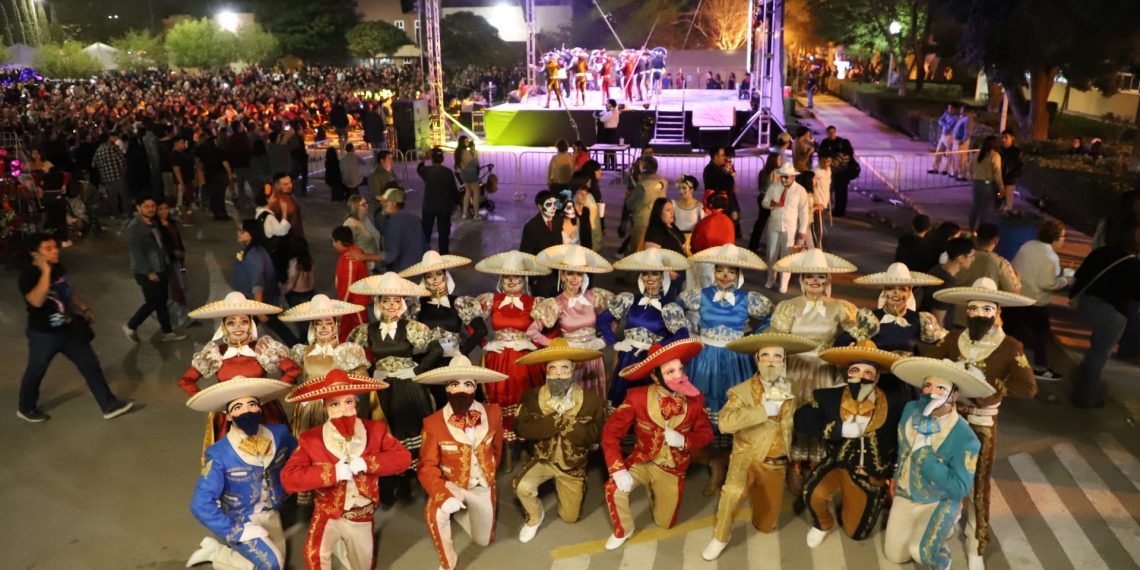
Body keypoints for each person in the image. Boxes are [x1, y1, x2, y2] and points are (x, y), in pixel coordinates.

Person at [922, 278, 1037, 570]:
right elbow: (931, 365)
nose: (979, 314)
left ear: (998, 312)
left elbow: (1028, 387)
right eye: (973, 308)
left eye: (987, 309)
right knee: (943, 473)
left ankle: (976, 542)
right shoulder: (953, 338)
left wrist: (995, 389)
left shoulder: (1010, 346)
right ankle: (946, 521)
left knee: (978, 483)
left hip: (981, 422)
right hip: (949, 418)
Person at [281, 370, 413, 569]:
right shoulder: (311, 438)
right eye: (335, 404)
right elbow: (289, 478)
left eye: (348, 402)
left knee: (364, 564)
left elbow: (403, 458)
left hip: (361, 514)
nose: (343, 409)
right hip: (327, 513)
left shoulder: (375, 429)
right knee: (313, 554)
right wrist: (331, 474)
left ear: (355, 403)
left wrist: (368, 463)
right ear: (325, 407)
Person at [702, 332, 818, 560]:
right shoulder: (741, 391)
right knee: (732, 495)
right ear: (757, 359)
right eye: (766, 355)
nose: (771, 361)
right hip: (746, 458)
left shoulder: (792, 388)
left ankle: (761, 516)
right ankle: (720, 537)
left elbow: (801, 414)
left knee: (766, 524)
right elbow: (724, 423)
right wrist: (762, 411)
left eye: (777, 356)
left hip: (776, 462)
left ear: (784, 361)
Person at [601, 339, 714, 550]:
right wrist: (617, 468)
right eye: (670, 372)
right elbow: (610, 433)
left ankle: (655, 491)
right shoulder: (637, 397)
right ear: (655, 376)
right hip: (643, 460)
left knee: (665, 524)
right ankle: (624, 530)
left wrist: (684, 440)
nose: (679, 376)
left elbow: (706, 435)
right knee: (614, 488)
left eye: (680, 369)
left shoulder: (695, 399)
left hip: (672, 468)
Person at [795, 341, 905, 548]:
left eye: (868, 372)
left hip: (871, 474)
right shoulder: (830, 396)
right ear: (847, 372)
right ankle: (822, 524)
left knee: (857, 533)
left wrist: (895, 472)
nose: (860, 377)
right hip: (839, 464)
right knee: (813, 493)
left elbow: (904, 438)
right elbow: (801, 419)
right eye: (855, 371)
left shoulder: (895, 402)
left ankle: (868, 500)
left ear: (877, 377)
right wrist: (838, 430)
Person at [883, 357, 990, 570]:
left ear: (954, 395)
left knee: (921, 552)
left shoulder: (965, 438)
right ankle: (927, 528)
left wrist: (925, 455)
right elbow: (902, 451)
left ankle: (942, 555)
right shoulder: (910, 409)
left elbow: (960, 488)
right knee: (895, 556)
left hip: (937, 499)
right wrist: (896, 478)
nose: (931, 392)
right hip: (905, 494)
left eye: (941, 388)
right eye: (927, 385)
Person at [347, 272, 444, 503]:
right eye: (386, 300)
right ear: (378, 303)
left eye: (396, 300)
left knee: (412, 429)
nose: (391, 305)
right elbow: (350, 356)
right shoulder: (367, 330)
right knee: (387, 431)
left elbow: (436, 349)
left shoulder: (411, 327)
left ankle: (420, 477)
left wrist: (417, 371)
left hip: (408, 387)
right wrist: (369, 373)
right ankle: (397, 479)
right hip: (381, 388)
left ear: (402, 303)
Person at [16, 234, 134, 423]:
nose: (55, 251)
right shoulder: (28, 275)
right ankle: (26, 407)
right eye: (48, 249)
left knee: (90, 364)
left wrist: (84, 308)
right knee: (36, 370)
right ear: (34, 253)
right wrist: (45, 271)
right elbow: (36, 301)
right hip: (44, 334)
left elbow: (68, 291)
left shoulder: (59, 267)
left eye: (55, 247)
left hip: (69, 329)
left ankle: (109, 405)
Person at [184, 377, 297, 569]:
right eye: (238, 407)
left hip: (272, 514)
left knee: (276, 563)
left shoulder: (280, 434)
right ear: (228, 416)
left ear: (260, 408)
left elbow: (298, 458)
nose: (247, 411)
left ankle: (217, 552)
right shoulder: (219, 454)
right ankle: (220, 551)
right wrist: (236, 530)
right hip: (240, 518)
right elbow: (200, 504)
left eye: (252, 404)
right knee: (271, 564)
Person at [414, 356, 507, 570]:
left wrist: (489, 474)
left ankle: (467, 512)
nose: (461, 390)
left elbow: (497, 449)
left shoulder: (493, 413)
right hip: (452, 483)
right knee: (434, 513)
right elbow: (427, 466)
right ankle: (448, 561)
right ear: (447, 388)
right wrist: (442, 492)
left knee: (483, 541)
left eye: (468, 384)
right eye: (454, 384)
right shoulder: (433, 423)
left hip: (482, 485)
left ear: (476, 386)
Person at [512, 339, 607, 542]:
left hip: (573, 465)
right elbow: (520, 427)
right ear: (546, 372)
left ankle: (577, 485)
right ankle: (535, 517)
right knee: (522, 487)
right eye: (552, 369)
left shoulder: (592, 400)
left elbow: (600, 431)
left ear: (573, 370)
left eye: (564, 368)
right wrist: (555, 421)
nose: (558, 374)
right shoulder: (531, 397)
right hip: (543, 460)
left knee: (570, 517)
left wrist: (571, 426)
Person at [471, 251, 552, 465]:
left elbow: (550, 330)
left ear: (524, 279)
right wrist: (485, 344)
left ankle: (525, 443)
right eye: (507, 277)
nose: (512, 281)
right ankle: (506, 447)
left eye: (516, 277)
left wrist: (533, 344)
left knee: (524, 401)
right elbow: (471, 322)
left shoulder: (534, 302)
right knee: (500, 401)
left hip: (523, 361)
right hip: (498, 360)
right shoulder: (492, 300)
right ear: (501, 279)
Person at [599, 249, 691, 407]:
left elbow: (683, 334)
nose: (649, 278)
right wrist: (615, 343)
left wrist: (658, 348)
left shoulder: (669, 307)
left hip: (651, 361)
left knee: (646, 403)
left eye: (654, 274)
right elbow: (602, 319)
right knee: (622, 401)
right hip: (627, 358)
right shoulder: (629, 299)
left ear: (662, 277)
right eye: (646, 274)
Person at [529, 244, 615, 402]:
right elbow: (532, 332)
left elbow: (614, 317)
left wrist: (603, 340)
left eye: (579, 274)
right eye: (570, 273)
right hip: (572, 360)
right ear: (563, 276)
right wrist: (557, 345)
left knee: (593, 401)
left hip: (594, 357)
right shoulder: (556, 303)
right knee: (573, 401)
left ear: (584, 277)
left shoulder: (595, 296)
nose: (575, 278)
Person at [1068, 226, 1140, 408]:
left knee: (1096, 349)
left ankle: (1082, 384)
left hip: (1085, 304)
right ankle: (1084, 397)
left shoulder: (1100, 252)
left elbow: (1080, 275)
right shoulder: (1133, 265)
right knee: (1099, 355)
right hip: (1111, 313)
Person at [124, 196, 186, 342]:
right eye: (146, 206)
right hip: (146, 272)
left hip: (161, 267)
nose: (151, 209)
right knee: (153, 301)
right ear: (138, 208)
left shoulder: (153, 223)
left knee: (162, 301)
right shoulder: (134, 227)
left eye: (153, 206)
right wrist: (149, 272)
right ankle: (131, 325)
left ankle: (167, 332)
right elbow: (137, 253)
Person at [233, 219, 297, 345]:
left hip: (257, 302)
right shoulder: (257, 250)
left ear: (251, 234)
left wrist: (259, 309)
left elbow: (257, 283)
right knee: (250, 329)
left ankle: (296, 346)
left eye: (243, 231)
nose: (238, 233)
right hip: (257, 302)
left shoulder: (254, 255)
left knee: (272, 326)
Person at [950, 223, 1021, 328]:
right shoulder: (1000, 263)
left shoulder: (961, 256)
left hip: (955, 315)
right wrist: (1017, 280)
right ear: (996, 240)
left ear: (976, 237)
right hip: (983, 319)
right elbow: (1013, 292)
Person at [762, 163, 811, 293]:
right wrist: (770, 204)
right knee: (771, 254)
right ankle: (771, 278)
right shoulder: (774, 187)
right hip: (774, 225)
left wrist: (802, 231)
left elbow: (804, 212)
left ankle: (784, 283)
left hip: (790, 228)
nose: (783, 179)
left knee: (787, 256)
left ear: (793, 177)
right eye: (782, 177)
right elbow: (764, 202)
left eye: (786, 177)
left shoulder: (800, 191)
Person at [917, 236, 976, 329]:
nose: (973, 259)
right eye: (971, 256)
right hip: (933, 331)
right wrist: (943, 336)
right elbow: (938, 318)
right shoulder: (946, 282)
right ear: (960, 258)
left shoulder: (937, 269)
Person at [519, 190, 566, 297]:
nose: (553, 207)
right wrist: (533, 280)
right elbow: (525, 254)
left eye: (554, 204)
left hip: (558, 276)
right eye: (549, 204)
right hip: (541, 278)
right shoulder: (531, 226)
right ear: (540, 207)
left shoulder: (558, 220)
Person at [156, 201, 193, 329]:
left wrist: (181, 253)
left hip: (178, 261)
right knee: (176, 290)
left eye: (166, 208)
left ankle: (180, 317)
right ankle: (183, 319)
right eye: (160, 209)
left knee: (181, 286)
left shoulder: (170, 222)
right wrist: (173, 253)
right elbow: (161, 246)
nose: (164, 211)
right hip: (169, 262)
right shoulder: (157, 227)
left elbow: (177, 239)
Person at [332, 226, 371, 341]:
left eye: (334, 241)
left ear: (339, 242)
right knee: (350, 333)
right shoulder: (355, 251)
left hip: (354, 304)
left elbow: (348, 286)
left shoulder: (349, 258)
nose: (333, 244)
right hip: (352, 303)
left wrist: (341, 308)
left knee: (360, 334)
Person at [419, 148, 460, 252]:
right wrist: (456, 203)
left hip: (429, 206)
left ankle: (425, 253)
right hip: (444, 207)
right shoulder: (448, 172)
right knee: (443, 233)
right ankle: (443, 253)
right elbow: (453, 190)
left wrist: (424, 159)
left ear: (432, 159)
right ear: (442, 158)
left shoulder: (427, 171)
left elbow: (419, 169)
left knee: (426, 231)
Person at [378, 187, 427, 273]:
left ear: (393, 204)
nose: (381, 204)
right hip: (419, 269)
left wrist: (365, 256)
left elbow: (391, 256)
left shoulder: (393, 223)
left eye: (385, 202)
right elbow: (424, 247)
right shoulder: (415, 219)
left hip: (403, 273)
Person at [626, 156, 666, 252]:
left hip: (642, 221)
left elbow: (630, 205)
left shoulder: (643, 186)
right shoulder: (662, 182)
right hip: (657, 220)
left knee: (637, 251)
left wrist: (629, 195)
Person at [816, 126, 856, 217]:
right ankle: (839, 210)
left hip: (840, 175)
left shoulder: (841, 154)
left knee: (839, 194)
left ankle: (838, 211)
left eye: (833, 132)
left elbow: (834, 163)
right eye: (830, 132)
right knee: (842, 194)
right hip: (843, 175)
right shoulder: (826, 143)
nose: (831, 134)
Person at [969, 136, 1005, 231]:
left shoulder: (976, 155)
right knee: (984, 209)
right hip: (988, 185)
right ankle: (982, 231)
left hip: (976, 183)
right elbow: (997, 173)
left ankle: (970, 229)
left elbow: (970, 169)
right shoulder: (995, 156)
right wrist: (1001, 188)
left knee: (975, 206)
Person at [703, 147, 740, 235]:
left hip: (724, 204)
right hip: (719, 206)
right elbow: (723, 188)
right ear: (716, 157)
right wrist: (733, 209)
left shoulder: (723, 167)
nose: (725, 157)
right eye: (723, 155)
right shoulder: (711, 170)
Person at [93, 132, 128, 219]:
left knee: (112, 198)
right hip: (117, 175)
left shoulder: (98, 151)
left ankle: (115, 214)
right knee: (124, 195)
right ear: (108, 139)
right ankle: (128, 213)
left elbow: (94, 164)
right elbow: (121, 160)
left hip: (106, 178)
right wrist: (123, 170)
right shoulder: (113, 148)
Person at [343, 196, 381, 272]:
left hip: (371, 264)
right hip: (361, 267)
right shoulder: (350, 225)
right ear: (355, 207)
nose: (367, 206)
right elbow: (347, 249)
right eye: (363, 204)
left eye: (366, 203)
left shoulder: (365, 219)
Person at [672, 175, 706, 250]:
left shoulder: (699, 206)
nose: (681, 191)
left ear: (691, 190)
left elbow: (704, 225)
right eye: (679, 188)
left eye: (684, 188)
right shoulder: (674, 204)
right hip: (677, 241)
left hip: (692, 242)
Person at [455, 137, 482, 220]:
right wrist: (475, 154)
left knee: (468, 192)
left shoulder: (457, 152)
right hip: (471, 173)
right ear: (462, 142)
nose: (468, 142)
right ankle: (476, 215)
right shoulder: (466, 152)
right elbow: (475, 163)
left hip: (463, 173)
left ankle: (464, 213)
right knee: (476, 192)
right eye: (466, 141)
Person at [928, 104, 959, 175]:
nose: (949, 110)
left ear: (954, 109)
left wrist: (944, 123)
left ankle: (946, 169)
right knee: (938, 151)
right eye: (949, 108)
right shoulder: (946, 114)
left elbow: (949, 127)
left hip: (950, 136)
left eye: (951, 108)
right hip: (943, 135)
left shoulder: (955, 118)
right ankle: (935, 167)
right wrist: (945, 123)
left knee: (949, 154)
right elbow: (940, 121)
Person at [810, 152, 833, 248]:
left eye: (828, 161)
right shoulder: (815, 172)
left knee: (820, 227)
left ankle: (818, 247)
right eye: (823, 161)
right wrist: (815, 203)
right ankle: (817, 248)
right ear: (819, 160)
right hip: (817, 203)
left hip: (824, 203)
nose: (826, 164)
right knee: (818, 228)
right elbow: (811, 188)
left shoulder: (829, 170)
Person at [999, 129, 1023, 212]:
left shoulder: (1016, 152)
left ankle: (1007, 212)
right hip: (999, 178)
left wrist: (1012, 176)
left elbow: (1020, 166)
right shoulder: (1000, 150)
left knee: (1008, 198)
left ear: (1012, 138)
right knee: (999, 197)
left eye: (1006, 137)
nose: (1004, 140)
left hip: (1009, 179)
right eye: (1002, 137)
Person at [596, 99, 621, 171]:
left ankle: (608, 166)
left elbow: (602, 119)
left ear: (611, 104)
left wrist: (598, 116)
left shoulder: (611, 112)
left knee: (608, 149)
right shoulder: (614, 111)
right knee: (612, 150)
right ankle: (613, 166)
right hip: (612, 131)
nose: (606, 104)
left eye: (607, 103)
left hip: (609, 132)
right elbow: (601, 114)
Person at [951, 108, 973, 181]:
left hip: (961, 141)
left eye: (963, 110)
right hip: (957, 140)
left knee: (961, 158)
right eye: (961, 110)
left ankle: (962, 175)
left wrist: (963, 140)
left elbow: (968, 132)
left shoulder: (968, 119)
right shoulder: (961, 118)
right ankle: (957, 173)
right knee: (956, 158)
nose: (961, 111)